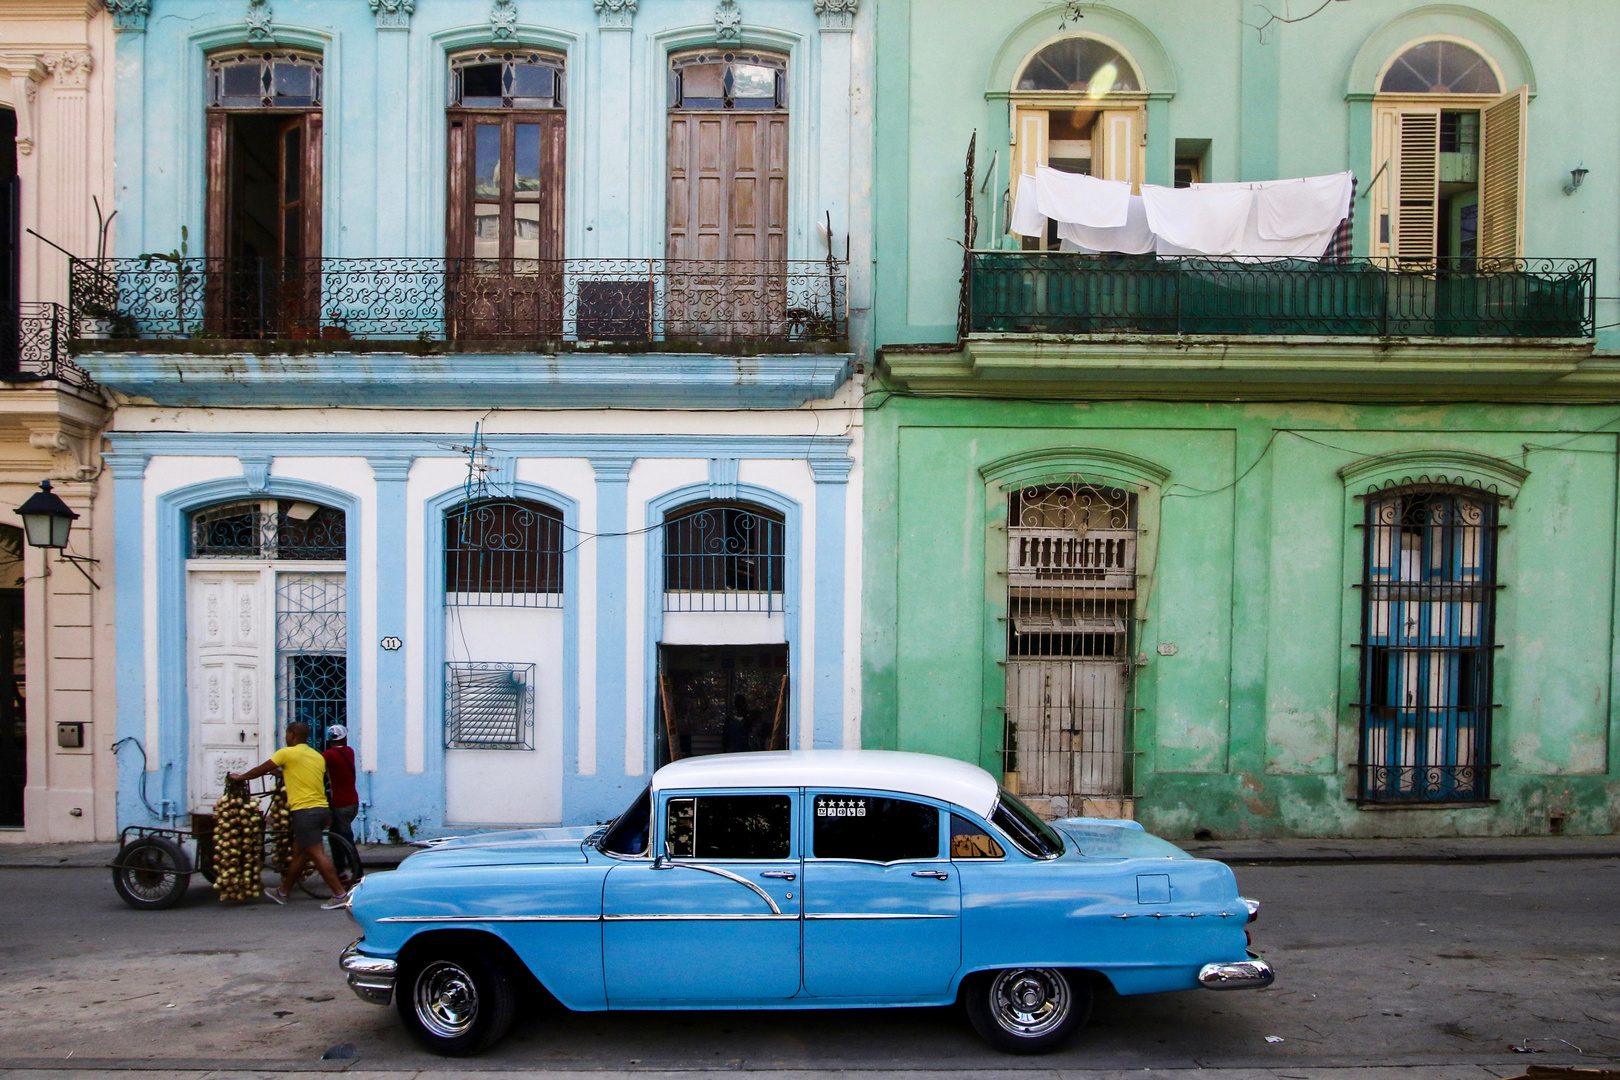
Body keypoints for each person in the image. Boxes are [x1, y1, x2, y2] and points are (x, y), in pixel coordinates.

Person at [229, 721, 348, 908]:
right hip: (322, 810)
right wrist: (280, 774)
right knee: (299, 853)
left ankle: (339, 895)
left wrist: (241, 777)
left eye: (286, 734)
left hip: (305, 811)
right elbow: (297, 775)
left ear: (291, 735)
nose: (286, 737)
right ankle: (283, 892)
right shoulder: (316, 756)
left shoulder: (286, 753)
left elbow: (262, 769)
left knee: (317, 854)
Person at [321, 724, 360, 881]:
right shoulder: (349, 752)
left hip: (340, 804)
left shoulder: (328, 756)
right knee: (335, 837)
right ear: (344, 738)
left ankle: (357, 874)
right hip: (353, 802)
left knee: (345, 840)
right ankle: (340, 872)